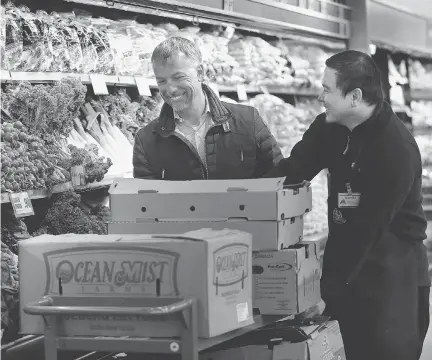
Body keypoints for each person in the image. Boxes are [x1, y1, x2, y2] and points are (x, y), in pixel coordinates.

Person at [266, 50, 430, 360]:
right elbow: (292, 171)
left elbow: (366, 232)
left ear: (354, 96)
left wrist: (324, 293)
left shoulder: (395, 149)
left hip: (392, 273)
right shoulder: (330, 127)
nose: (320, 96)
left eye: (327, 89)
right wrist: (245, 197)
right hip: (348, 258)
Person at [133, 37, 282, 180]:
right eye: (162, 81)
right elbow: (146, 202)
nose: (170, 89)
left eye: (178, 77)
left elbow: (279, 178)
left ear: (200, 73)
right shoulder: (146, 140)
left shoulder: (248, 120)